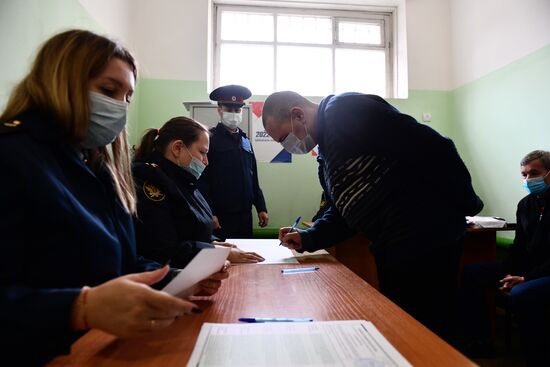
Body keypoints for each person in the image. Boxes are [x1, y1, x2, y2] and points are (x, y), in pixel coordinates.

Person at [0, 30, 227, 366]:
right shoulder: (11, 156)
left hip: (105, 347)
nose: (119, 107)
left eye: (127, 98)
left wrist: (180, 278)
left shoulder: (99, 167)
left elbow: (123, 263)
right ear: (59, 81)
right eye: (108, 91)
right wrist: (79, 308)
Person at [262, 91, 483, 341]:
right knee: (403, 333)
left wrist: (467, 203)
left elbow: (434, 147)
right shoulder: (326, 153)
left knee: (428, 333)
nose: (287, 146)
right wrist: (308, 238)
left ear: (298, 114)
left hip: (424, 240)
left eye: (284, 138)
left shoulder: (343, 110)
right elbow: (343, 209)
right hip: (393, 247)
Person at [132, 116, 265, 266]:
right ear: (177, 148)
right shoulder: (149, 183)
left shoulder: (182, 179)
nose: (206, 161)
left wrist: (213, 242)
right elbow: (163, 251)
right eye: (202, 152)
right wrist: (215, 251)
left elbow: (192, 229)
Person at [459, 150, 550, 365]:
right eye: (524, 175)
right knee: (472, 274)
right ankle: (481, 343)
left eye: (534, 173)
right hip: (528, 269)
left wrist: (525, 278)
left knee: (521, 293)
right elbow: (519, 247)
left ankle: (537, 358)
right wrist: (510, 272)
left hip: (544, 272)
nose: (528, 180)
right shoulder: (526, 205)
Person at [198, 85, 268, 239]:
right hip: (221, 217)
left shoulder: (245, 141)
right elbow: (202, 181)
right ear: (219, 109)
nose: (234, 114)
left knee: (246, 256)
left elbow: (253, 177)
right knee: (224, 259)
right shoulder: (210, 139)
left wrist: (261, 207)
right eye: (229, 109)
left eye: (237, 110)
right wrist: (210, 212)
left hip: (245, 215)